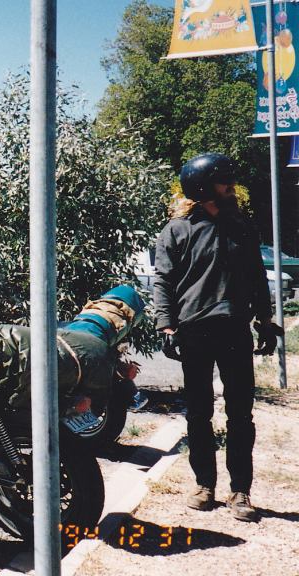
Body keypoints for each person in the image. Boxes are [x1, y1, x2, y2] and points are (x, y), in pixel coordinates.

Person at [153, 153, 282, 522]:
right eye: (224, 182)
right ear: (202, 187)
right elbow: (162, 280)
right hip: (194, 331)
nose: (230, 188)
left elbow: (258, 277)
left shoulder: (241, 227)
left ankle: (240, 491)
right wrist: (167, 326)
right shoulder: (176, 231)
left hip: (235, 331)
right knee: (198, 413)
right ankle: (204, 485)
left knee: (241, 414)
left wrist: (265, 319)